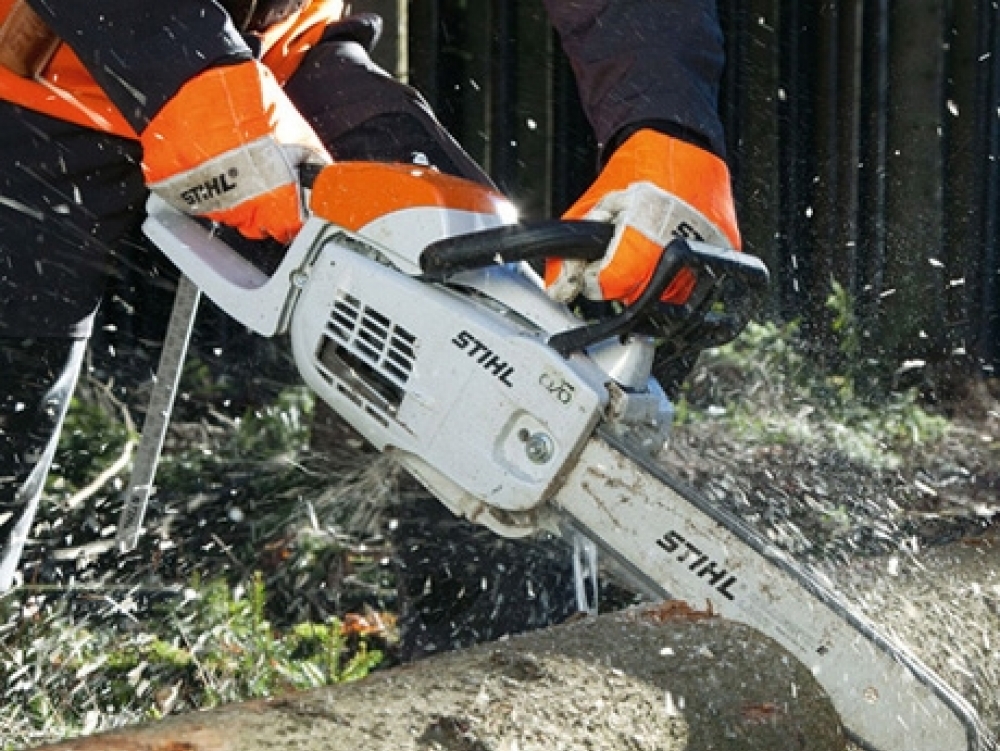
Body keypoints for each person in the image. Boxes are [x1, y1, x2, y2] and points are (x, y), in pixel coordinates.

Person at [0, 0, 740, 651]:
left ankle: (507, 706)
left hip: (275, 51)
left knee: (493, 329)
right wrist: (176, 58)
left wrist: (664, 116)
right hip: (31, 66)